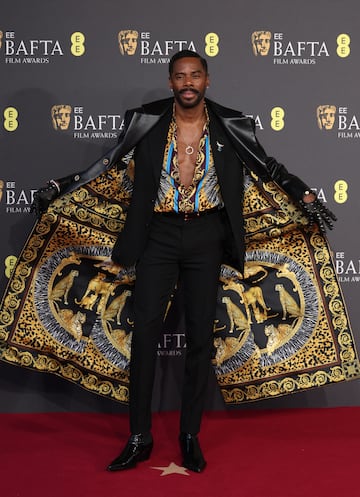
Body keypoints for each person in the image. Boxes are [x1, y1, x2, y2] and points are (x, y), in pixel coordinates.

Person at [31, 49, 336, 473]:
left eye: (195, 75)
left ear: (207, 81)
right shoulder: (146, 120)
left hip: (207, 236)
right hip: (156, 235)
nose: (187, 82)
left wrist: (302, 192)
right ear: (171, 82)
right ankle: (139, 436)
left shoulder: (231, 124)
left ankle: (189, 435)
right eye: (180, 76)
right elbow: (105, 164)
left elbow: (269, 167)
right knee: (143, 336)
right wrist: (61, 185)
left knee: (199, 339)